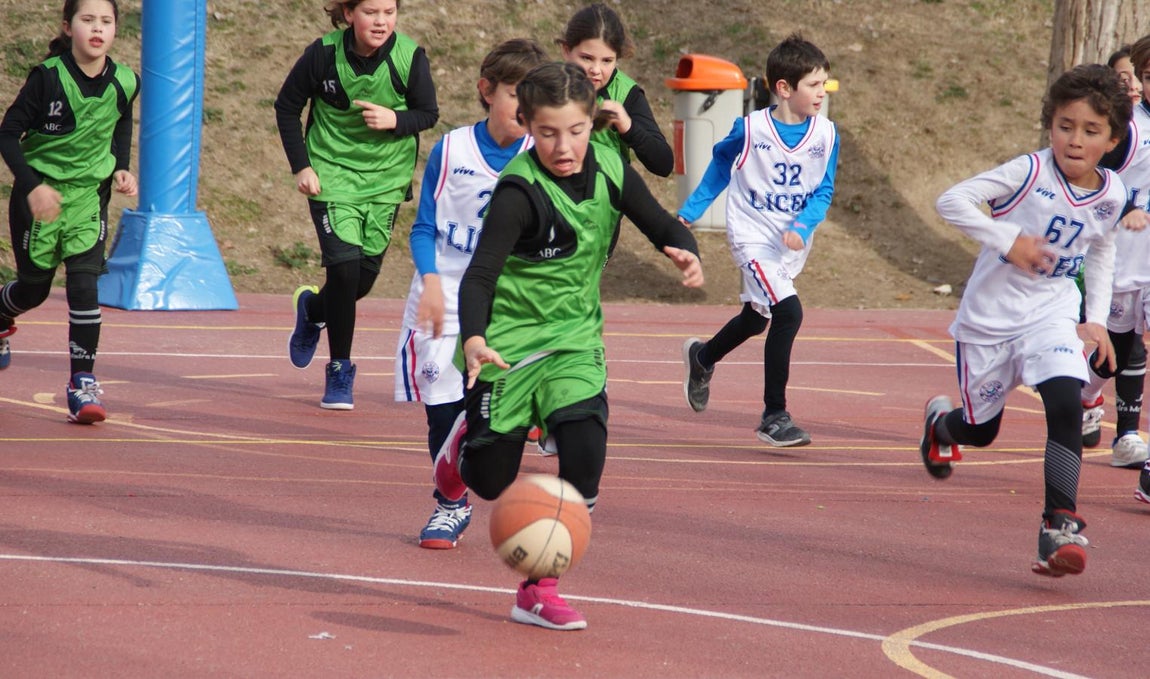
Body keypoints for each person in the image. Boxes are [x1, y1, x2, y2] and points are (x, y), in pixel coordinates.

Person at [432, 61, 703, 630]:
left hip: (575, 340)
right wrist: (475, 339)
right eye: (548, 132)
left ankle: (538, 589)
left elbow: (657, 220)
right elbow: (480, 275)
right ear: (527, 125)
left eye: (575, 131)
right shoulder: (517, 194)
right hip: (508, 345)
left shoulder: (608, 164)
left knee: (586, 454)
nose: (563, 146)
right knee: (490, 482)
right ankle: (460, 451)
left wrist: (681, 247)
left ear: (592, 122)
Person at [921, 63, 1132, 577]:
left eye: (1090, 130)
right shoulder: (1028, 172)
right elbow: (952, 200)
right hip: (989, 321)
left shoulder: (1112, 194)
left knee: (1064, 399)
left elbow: (1102, 251)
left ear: (1113, 138)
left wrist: (1096, 318)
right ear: (1050, 125)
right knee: (979, 430)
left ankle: (1058, 524)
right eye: (1065, 126)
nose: (1075, 140)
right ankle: (940, 427)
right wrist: (1007, 239)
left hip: (1051, 312)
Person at [394, 38, 547, 550]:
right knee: (441, 408)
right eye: (513, 95)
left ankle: (526, 418)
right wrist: (431, 281)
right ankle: (450, 506)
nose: (523, 108)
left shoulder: (542, 155)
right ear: (487, 91)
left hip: (507, 299)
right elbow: (423, 228)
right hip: (446, 292)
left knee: (491, 415)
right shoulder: (452, 149)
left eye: (533, 98)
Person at [678, 33, 839, 447]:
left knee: (757, 317)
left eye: (825, 84)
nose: (823, 92)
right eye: (815, 85)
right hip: (752, 236)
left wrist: (803, 227)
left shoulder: (825, 134)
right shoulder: (750, 129)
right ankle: (774, 415)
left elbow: (823, 190)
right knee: (789, 313)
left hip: (790, 241)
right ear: (784, 88)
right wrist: (689, 213)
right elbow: (719, 166)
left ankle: (703, 357)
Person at [275, 0, 437, 410]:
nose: (381, 21)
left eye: (389, 11)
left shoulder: (409, 57)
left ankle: (313, 308)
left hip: (385, 181)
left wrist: (395, 120)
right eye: (371, 12)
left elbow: (428, 113)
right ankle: (340, 371)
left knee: (360, 282)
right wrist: (302, 167)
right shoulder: (323, 55)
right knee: (343, 271)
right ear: (349, 14)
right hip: (332, 176)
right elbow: (287, 106)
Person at [0, 0, 139, 424]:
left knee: (84, 287)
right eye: (87, 20)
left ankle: (83, 383)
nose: (97, 28)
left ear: (115, 29)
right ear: (68, 27)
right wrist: (33, 187)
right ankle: (2, 312)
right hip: (39, 199)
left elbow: (120, 124)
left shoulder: (126, 82)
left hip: (87, 200)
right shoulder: (48, 78)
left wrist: (120, 166)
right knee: (34, 290)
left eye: (106, 21)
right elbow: (6, 134)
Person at [1079, 39, 1150, 469]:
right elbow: (1093, 178)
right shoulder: (1129, 132)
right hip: (1125, 256)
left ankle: (1127, 436)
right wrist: (1128, 208)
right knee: (1117, 353)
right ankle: (1086, 395)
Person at [559, 3, 673, 177]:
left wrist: (627, 126)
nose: (596, 70)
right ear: (566, 51)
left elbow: (664, 164)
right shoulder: (548, 85)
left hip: (607, 197)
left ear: (617, 59)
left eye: (606, 61)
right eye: (587, 58)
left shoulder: (626, 94)